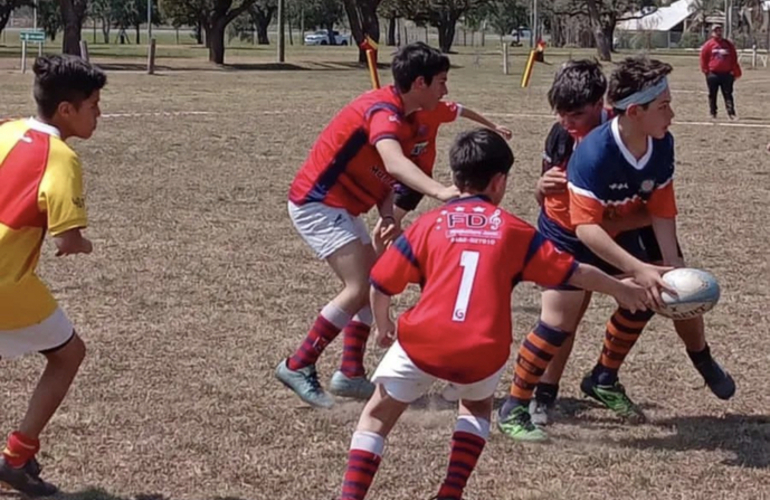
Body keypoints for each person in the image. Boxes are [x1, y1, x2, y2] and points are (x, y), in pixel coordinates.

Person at [337, 128, 649, 500]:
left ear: (455, 178)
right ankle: (451, 491)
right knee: (477, 405)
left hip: (424, 340)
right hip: (482, 348)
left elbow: (381, 282)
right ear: (499, 183)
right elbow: (575, 272)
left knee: (375, 415)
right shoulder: (516, 232)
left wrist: (383, 325)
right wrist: (621, 288)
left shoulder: (428, 224)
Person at [498, 56, 736, 441]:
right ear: (635, 110)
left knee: (658, 289)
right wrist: (541, 190)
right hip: (571, 232)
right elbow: (581, 224)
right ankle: (532, 398)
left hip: (616, 223)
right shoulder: (584, 149)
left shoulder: (652, 137)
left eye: (575, 113)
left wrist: (669, 266)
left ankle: (607, 377)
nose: (565, 122)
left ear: (603, 106)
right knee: (562, 319)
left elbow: (659, 207)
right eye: (665, 106)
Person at [275, 42, 460, 409]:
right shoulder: (383, 111)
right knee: (359, 287)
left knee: (374, 283)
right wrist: (440, 191)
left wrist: (389, 214)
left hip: (343, 207)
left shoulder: (407, 117)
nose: (446, 90)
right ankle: (298, 364)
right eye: (441, 81)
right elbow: (392, 164)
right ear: (419, 83)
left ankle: (350, 373)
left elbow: (384, 179)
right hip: (318, 203)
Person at [0, 55, 106, 496]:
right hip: (6, 282)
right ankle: (16, 458)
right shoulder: (62, 158)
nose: (99, 114)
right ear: (67, 110)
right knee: (68, 355)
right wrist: (84, 244)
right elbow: (67, 239)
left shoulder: (6, 129)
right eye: (94, 105)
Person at [371, 101, 512, 250]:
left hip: (417, 179)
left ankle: (383, 266)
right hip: (397, 176)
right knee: (388, 231)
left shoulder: (434, 108)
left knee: (381, 232)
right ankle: (403, 255)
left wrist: (494, 126)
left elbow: (463, 111)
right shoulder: (391, 115)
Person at [700, 24, 741, 120]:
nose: (718, 33)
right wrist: (706, 71)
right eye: (716, 31)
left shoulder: (728, 44)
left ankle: (731, 113)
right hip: (713, 74)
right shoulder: (708, 45)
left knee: (728, 94)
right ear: (712, 32)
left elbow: (734, 58)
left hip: (726, 74)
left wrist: (735, 71)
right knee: (712, 94)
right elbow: (703, 58)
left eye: (719, 30)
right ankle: (713, 113)